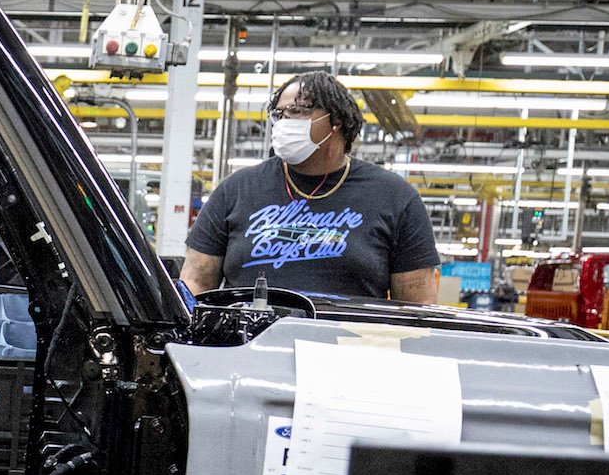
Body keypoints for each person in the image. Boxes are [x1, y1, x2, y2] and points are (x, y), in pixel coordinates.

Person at [180, 69, 441, 306]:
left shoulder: (394, 197)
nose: (284, 122)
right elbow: (195, 283)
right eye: (279, 114)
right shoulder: (236, 190)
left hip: (345, 340)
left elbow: (417, 307)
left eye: (298, 111)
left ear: (335, 119)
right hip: (249, 340)